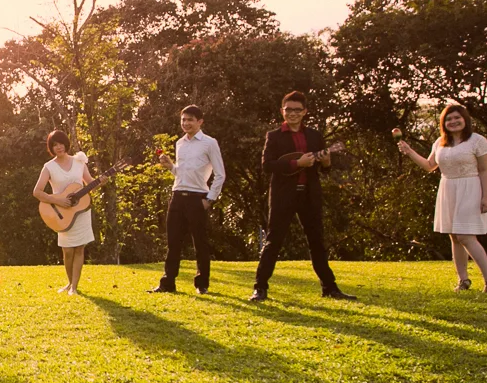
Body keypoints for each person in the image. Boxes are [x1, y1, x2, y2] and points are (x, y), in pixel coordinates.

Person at [249, 91, 354, 302]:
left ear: (305, 112)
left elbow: (323, 170)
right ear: (282, 111)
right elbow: (267, 166)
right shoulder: (274, 136)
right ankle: (260, 288)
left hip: (309, 195)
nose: (293, 114)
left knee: (317, 242)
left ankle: (330, 288)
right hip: (283, 196)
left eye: (298, 110)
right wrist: (297, 164)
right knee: (274, 241)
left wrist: (326, 162)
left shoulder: (315, 136)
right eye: (289, 110)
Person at [394, 103, 487, 292]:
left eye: (457, 117)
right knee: (454, 237)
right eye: (449, 119)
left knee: (466, 236)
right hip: (448, 187)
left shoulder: (477, 140)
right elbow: (429, 165)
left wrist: (486, 197)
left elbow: (485, 170)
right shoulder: (440, 142)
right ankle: (463, 280)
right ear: (444, 123)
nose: (453, 121)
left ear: (465, 120)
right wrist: (409, 151)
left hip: (470, 187)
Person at [149, 105, 225, 295]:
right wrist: (170, 167)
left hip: (197, 197)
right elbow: (180, 173)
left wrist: (209, 199)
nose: (186, 123)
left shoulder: (209, 143)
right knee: (173, 242)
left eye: (190, 120)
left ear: (200, 122)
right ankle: (168, 283)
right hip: (177, 196)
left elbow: (220, 174)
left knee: (200, 242)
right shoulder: (180, 143)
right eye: (183, 120)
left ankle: (202, 284)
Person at [33, 130, 94, 296]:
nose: (58, 147)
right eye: (54, 145)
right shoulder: (49, 167)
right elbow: (37, 192)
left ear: (66, 144)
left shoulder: (79, 162)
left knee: (80, 249)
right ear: (51, 148)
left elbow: (90, 182)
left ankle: (74, 286)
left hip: (80, 211)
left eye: (60, 143)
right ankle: (69, 283)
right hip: (61, 214)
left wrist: (101, 181)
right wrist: (58, 200)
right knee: (67, 251)